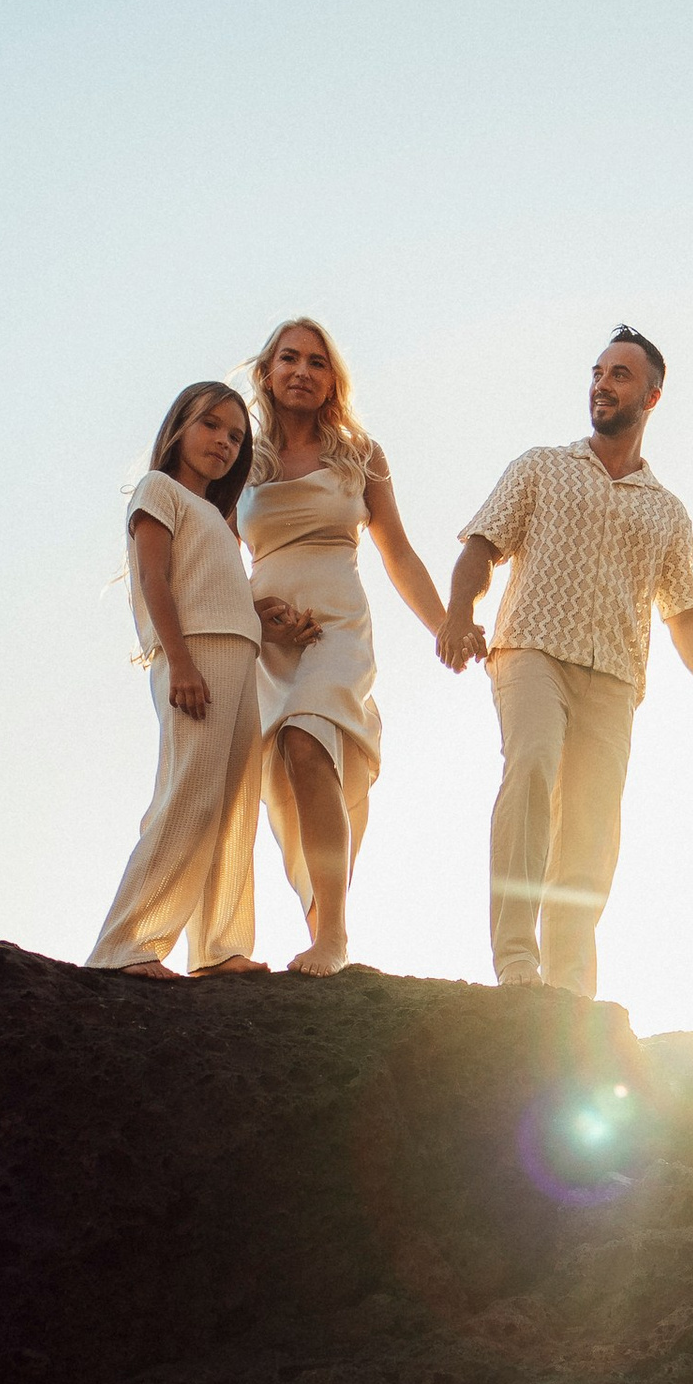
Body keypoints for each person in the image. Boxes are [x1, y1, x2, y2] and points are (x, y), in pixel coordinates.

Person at [439, 326, 693, 997]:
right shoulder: (540, 466)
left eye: (620, 375)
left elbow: (688, 613)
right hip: (530, 651)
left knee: (590, 826)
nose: (603, 385)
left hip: (614, 676)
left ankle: (571, 983)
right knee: (529, 772)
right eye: (598, 372)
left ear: (653, 395)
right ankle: (517, 961)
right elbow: (480, 545)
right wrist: (460, 614)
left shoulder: (669, 512)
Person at [237, 315, 450, 977]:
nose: (302, 371)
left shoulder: (362, 455)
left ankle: (334, 935)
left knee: (309, 737)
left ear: (333, 379)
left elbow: (400, 554)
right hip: (267, 636)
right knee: (289, 772)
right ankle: (314, 926)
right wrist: (252, 611)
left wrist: (446, 626)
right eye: (289, 359)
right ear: (268, 372)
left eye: (317, 362)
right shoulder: (239, 457)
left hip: (337, 628)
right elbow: (212, 559)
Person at [87, 381, 279, 978]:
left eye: (235, 436)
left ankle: (220, 946)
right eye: (211, 426)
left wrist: (266, 617)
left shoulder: (221, 521)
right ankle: (126, 945)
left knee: (234, 801)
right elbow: (156, 581)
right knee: (189, 796)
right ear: (178, 427)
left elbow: (220, 590)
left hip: (240, 657)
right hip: (193, 658)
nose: (223, 442)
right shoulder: (159, 491)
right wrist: (182, 663)